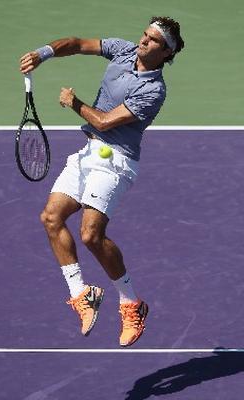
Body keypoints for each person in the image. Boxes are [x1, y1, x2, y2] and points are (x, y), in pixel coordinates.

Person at [19, 17, 185, 346]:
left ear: (166, 52)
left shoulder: (153, 90)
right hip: (89, 152)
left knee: (91, 235)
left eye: (153, 41)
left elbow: (107, 122)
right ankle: (82, 294)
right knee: (51, 218)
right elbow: (80, 43)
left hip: (118, 161)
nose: (144, 41)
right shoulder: (123, 50)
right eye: (144, 34)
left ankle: (131, 303)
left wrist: (74, 103)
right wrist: (44, 52)